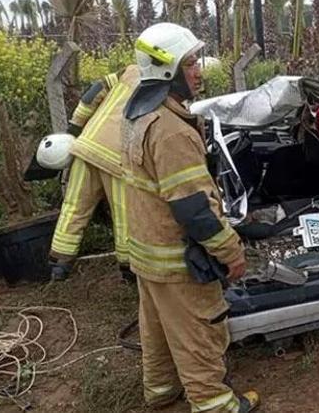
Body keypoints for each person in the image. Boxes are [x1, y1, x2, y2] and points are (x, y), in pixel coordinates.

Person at [122, 23, 259, 412]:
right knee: (200, 332)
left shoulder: (138, 114)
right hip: (178, 258)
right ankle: (216, 405)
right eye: (191, 63)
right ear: (168, 71)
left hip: (149, 255)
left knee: (160, 330)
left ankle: (162, 393)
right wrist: (231, 252)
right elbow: (194, 209)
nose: (199, 70)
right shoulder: (170, 132)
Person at [46, 65, 140, 283]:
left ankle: (59, 265)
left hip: (87, 147)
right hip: (117, 158)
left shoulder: (130, 71)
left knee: (74, 207)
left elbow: (93, 92)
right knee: (123, 214)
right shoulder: (166, 85)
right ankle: (128, 269)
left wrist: (74, 127)